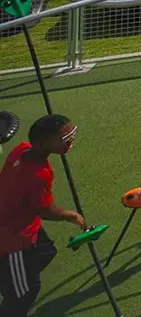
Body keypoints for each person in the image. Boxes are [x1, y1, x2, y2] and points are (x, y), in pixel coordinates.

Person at [0, 114, 87, 316]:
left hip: (22, 222)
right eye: (64, 137)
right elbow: (45, 210)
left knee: (46, 251)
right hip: (13, 238)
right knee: (24, 293)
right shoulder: (39, 174)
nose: (70, 139)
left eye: (71, 134)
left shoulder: (21, 149)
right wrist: (71, 215)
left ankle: (9, 278)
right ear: (43, 143)